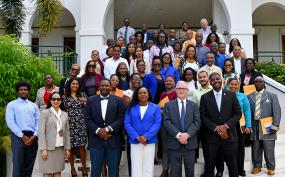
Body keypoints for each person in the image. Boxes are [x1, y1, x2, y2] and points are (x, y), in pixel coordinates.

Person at [199, 72, 242, 177]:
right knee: (209, 169)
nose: (215, 81)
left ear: (221, 80)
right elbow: (203, 117)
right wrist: (216, 128)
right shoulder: (205, 97)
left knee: (233, 168)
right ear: (210, 82)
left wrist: (225, 126)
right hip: (211, 139)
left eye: (217, 79)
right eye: (213, 80)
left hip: (230, 138)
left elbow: (238, 113)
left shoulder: (231, 95)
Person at [85, 79, 126, 177]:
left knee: (114, 170)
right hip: (96, 140)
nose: (104, 87)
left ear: (110, 87)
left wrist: (108, 129)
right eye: (102, 86)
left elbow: (121, 118)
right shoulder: (90, 100)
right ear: (99, 87)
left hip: (113, 140)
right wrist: (99, 131)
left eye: (106, 86)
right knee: (95, 170)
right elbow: (87, 119)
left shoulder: (118, 100)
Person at [163, 81, 201, 177]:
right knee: (175, 172)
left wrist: (187, 135)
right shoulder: (168, 105)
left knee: (190, 171)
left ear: (187, 91)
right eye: (179, 88)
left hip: (190, 143)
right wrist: (179, 135)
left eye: (183, 88)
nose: (181, 90)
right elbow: (166, 122)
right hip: (174, 143)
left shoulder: (193, 105)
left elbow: (197, 122)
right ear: (175, 90)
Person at [124, 87, 162, 177]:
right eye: (140, 93)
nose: (143, 94)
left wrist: (146, 137)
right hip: (135, 141)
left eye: (145, 93)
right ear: (137, 95)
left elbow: (157, 123)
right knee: (135, 166)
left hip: (149, 141)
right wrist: (136, 137)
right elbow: (127, 123)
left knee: (148, 166)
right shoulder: (131, 108)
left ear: (148, 95)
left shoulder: (156, 108)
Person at [5, 81, 40, 177]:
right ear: (17, 91)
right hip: (18, 137)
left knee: (29, 165)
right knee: (18, 164)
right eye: (21, 90)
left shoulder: (34, 106)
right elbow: (10, 122)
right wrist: (22, 136)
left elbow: (38, 121)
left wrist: (35, 135)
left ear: (28, 91)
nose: (23, 91)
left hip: (33, 137)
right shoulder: (12, 105)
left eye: (25, 90)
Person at [248, 77, 281, 176]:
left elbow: (277, 111)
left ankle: (270, 167)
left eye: (260, 81)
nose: (258, 83)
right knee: (255, 147)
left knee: (268, 147)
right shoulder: (249, 96)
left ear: (264, 83)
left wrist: (275, 126)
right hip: (254, 126)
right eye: (256, 81)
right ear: (253, 84)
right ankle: (257, 166)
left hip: (268, 126)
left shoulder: (272, 96)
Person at [38, 92, 71, 177]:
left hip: (60, 148)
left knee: (58, 172)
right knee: (47, 173)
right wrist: (43, 149)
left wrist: (67, 148)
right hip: (48, 149)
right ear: (50, 100)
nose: (56, 101)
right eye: (53, 99)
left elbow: (67, 132)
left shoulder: (64, 114)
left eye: (58, 99)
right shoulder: (45, 113)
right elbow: (41, 132)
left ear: (61, 101)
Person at [62, 78, 88, 177]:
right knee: (71, 148)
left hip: (81, 125)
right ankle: (72, 169)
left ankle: (84, 168)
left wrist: (86, 102)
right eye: (73, 83)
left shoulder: (83, 95)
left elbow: (88, 109)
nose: (75, 85)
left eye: (77, 84)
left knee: (82, 147)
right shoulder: (64, 97)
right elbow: (63, 112)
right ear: (69, 85)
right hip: (69, 125)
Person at [228, 78, 252, 177]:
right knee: (231, 148)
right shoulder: (225, 95)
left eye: (236, 84)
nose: (233, 86)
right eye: (232, 84)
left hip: (240, 125)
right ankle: (233, 169)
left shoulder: (243, 96)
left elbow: (247, 111)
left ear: (239, 85)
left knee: (240, 148)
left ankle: (240, 169)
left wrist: (248, 125)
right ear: (228, 85)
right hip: (229, 125)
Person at [159, 76, 177, 177]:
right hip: (164, 124)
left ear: (174, 82)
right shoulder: (162, 94)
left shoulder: (177, 93)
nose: (168, 82)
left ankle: (172, 170)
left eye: (171, 81)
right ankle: (165, 169)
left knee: (173, 148)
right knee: (165, 147)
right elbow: (160, 108)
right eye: (167, 81)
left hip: (174, 124)